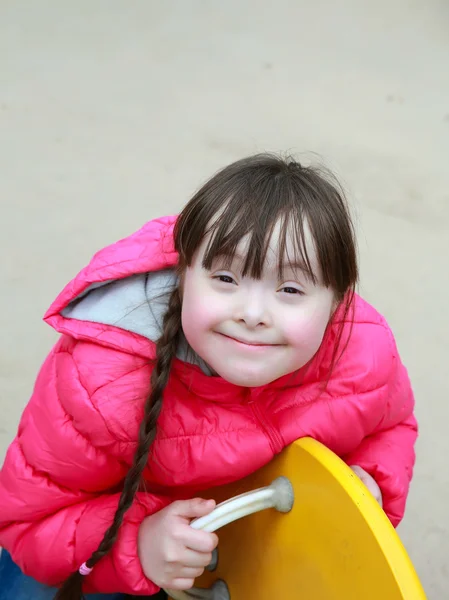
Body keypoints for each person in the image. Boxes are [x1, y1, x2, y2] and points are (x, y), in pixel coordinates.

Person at [0, 154, 417, 600]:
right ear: (183, 275)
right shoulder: (102, 381)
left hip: (248, 555)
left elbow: (390, 426)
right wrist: (139, 543)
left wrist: (372, 477)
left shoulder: (362, 353)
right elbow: (29, 523)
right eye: (225, 277)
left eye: (291, 289)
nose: (253, 314)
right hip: (116, 550)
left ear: (337, 301)